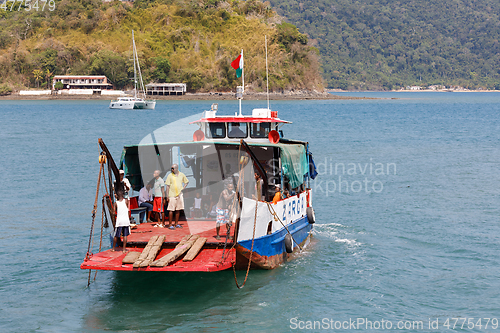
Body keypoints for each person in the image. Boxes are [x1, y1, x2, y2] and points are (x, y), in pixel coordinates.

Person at [164, 164, 189, 229]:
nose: (172, 169)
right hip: (172, 194)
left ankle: (176, 223)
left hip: (179, 194)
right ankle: (170, 225)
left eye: (173, 168)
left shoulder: (181, 175)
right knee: (171, 209)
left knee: (178, 209)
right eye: (171, 168)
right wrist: (167, 196)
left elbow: (186, 181)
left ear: (176, 168)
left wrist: (183, 187)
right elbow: (167, 186)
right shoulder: (170, 176)